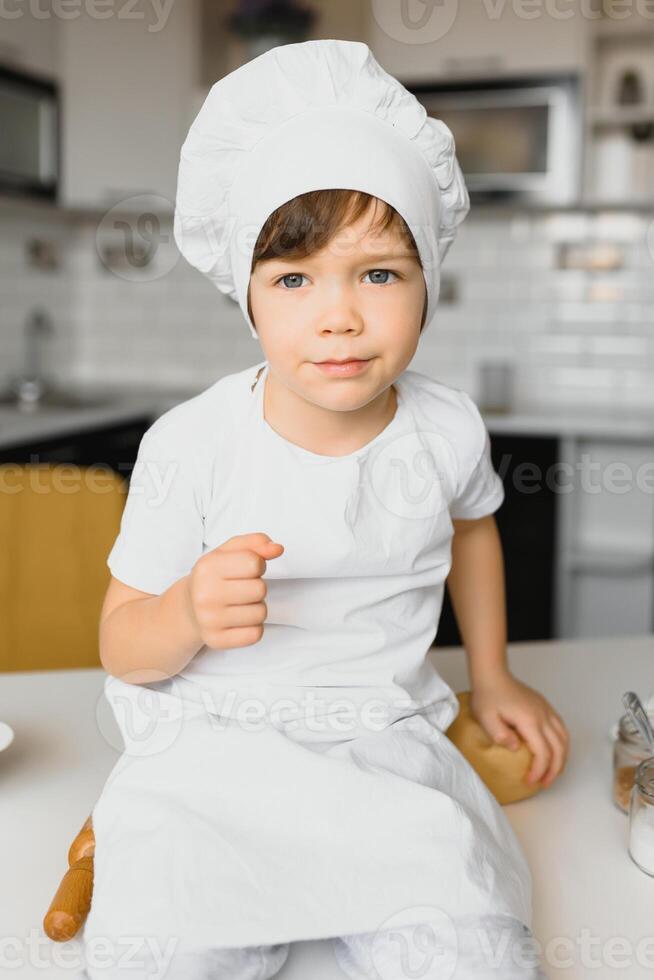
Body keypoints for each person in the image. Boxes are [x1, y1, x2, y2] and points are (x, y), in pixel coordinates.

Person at [80, 39, 569, 980]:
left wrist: (494, 677)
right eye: (294, 279)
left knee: (473, 953)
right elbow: (121, 646)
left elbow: (472, 529)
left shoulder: (445, 429)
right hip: (212, 762)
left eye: (379, 274)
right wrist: (184, 613)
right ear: (248, 299)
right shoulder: (193, 444)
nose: (337, 315)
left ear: (430, 282)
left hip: (381, 751)